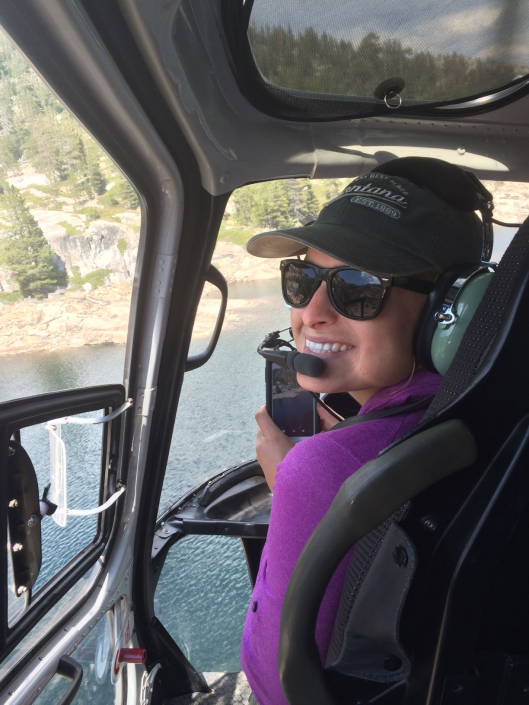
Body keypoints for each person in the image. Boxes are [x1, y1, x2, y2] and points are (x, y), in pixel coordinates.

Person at [240, 158, 487, 705]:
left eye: (358, 287)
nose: (313, 312)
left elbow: (274, 683)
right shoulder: (475, 412)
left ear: (449, 312)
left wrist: (291, 487)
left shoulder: (321, 472)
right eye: (302, 278)